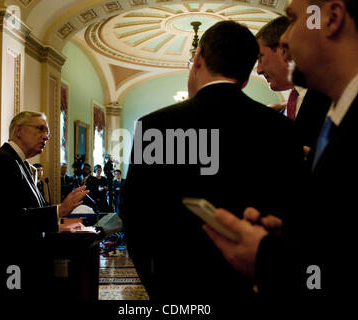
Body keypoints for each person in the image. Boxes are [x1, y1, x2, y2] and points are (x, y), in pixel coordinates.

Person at [204, 0, 358, 301]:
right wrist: (289, 236)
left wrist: (266, 259)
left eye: (293, 19)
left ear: (331, 17)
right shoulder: (348, 107)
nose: (286, 39)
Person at [121, 21, 305, 304]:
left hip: (177, 287)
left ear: (198, 59)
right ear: (245, 77)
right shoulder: (282, 130)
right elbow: (294, 217)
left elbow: (134, 214)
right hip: (253, 289)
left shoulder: (154, 126)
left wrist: (157, 285)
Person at [0, 111, 89, 301]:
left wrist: (59, 226)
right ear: (19, 131)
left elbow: (28, 211)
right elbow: (7, 218)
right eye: (40, 129)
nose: (45, 136)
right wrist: (60, 210)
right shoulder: (2, 161)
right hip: (8, 262)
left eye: (48, 133)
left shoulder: (21, 164)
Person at [256, 16, 331, 154]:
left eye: (260, 57)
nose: (258, 70)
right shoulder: (285, 108)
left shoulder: (331, 93)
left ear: (284, 48)